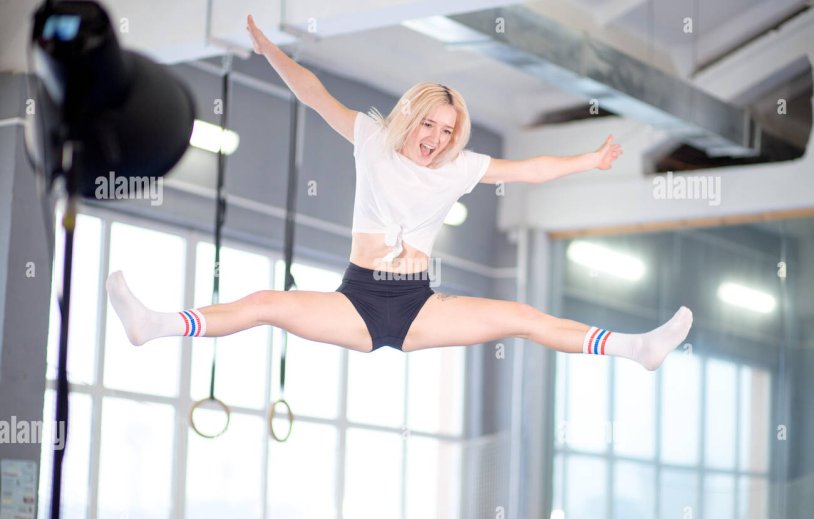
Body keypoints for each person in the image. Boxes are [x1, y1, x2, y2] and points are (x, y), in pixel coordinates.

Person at [105, 15, 693, 371]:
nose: (435, 139)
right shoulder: (371, 137)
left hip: (419, 305)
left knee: (521, 316)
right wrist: (272, 52)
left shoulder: (462, 166)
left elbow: (531, 170)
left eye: (446, 130)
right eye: (428, 125)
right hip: (357, 299)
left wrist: (588, 160)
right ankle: (156, 325)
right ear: (409, 119)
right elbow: (313, 94)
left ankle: (634, 349)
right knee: (265, 303)